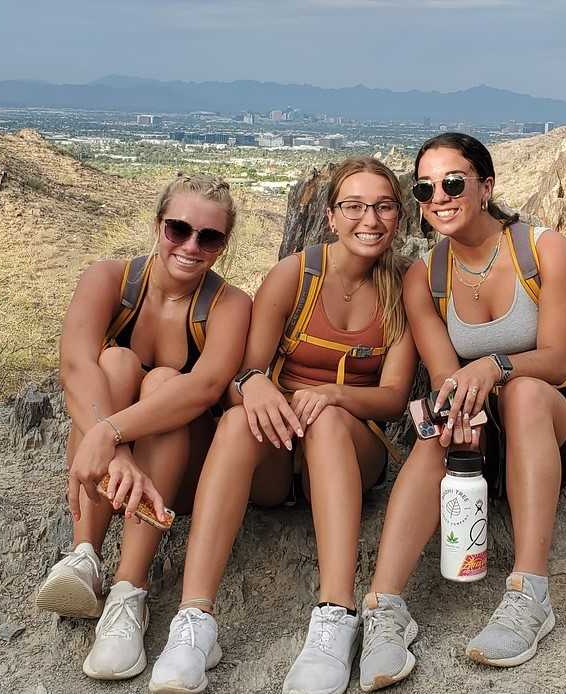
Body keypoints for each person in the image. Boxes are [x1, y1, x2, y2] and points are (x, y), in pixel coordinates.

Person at [147, 157, 418, 694]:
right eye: (355, 206)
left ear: (400, 217)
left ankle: (336, 615)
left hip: (350, 447)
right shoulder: (296, 274)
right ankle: (194, 621)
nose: (371, 219)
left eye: (385, 206)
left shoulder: (405, 286)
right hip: (277, 447)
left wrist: (332, 394)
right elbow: (241, 371)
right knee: (234, 425)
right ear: (332, 216)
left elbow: (392, 398)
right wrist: (258, 384)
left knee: (330, 420)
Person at [358, 133, 566, 691]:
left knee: (526, 393)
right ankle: (385, 608)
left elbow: (559, 357)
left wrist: (493, 365)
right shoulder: (426, 277)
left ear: (486, 186)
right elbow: (444, 374)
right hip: (479, 428)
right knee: (436, 428)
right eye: (425, 187)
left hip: (549, 422)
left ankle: (529, 594)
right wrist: (454, 402)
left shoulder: (542, 250)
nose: (439, 195)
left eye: (453, 182)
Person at [34, 173, 251, 681]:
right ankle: (85, 554)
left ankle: (129, 593)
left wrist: (110, 437)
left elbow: (204, 388)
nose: (191, 246)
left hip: (185, 464)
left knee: (167, 384)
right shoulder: (109, 279)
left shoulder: (229, 305)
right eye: (179, 229)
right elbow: (74, 367)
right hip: (118, 459)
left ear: (222, 246)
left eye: (210, 237)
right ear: (158, 225)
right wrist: (119, 449)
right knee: (113, 364)